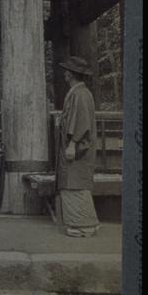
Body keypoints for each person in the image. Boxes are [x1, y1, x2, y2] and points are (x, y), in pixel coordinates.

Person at [56, 56, 100, 237]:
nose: (65, 73)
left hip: (77, 147)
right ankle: (85, 222)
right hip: (76, 145)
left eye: (67, 71)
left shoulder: (80, 94)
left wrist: (72, 144)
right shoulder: (80, 92)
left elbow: (81, 122)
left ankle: (84, 224)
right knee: (74, 183)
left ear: (72, 74)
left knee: (75, 183)